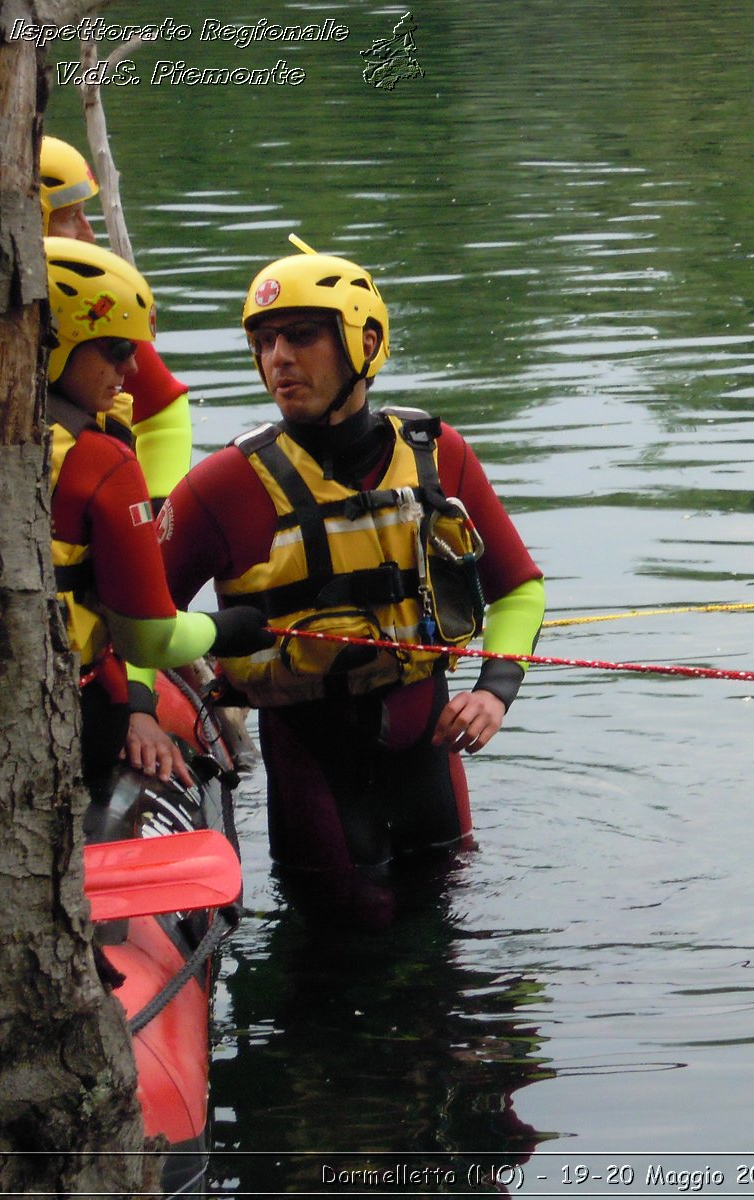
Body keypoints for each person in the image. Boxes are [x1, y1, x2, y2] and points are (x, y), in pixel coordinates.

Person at [159, 238, 547, 930]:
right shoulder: (222, 488)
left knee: (449, 925)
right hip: (315, 778)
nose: (279, 358)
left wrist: (496, 688)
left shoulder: (438, 453)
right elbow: (133, 618)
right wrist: (139, 705)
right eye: (265, 340)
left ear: (365, 342)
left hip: (431, 763)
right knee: (344, 947)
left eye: (303, 336)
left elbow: (517, 588)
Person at [45, 237, 273, 792]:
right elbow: (148, 641)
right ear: (55, 343)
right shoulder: (100, 462)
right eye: (117, 348)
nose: (132, 366)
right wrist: (229, 628)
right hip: (64, 719)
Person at [40, 134, 192, 511]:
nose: (89, 234)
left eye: (84, 214)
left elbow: (162, 414)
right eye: (69, 218)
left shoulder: (96, 316)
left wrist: (155, 514)